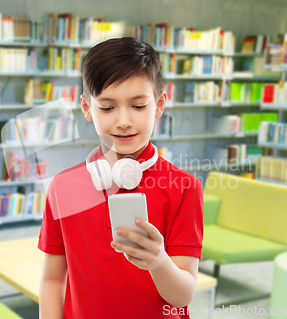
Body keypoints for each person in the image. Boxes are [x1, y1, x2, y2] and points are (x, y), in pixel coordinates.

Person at [38, 37, 204, 319]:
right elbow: (53, 279)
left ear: (160, 104)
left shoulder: (184, 187)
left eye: (138, 106)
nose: (123, 121)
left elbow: (182, 296)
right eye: (107, 107)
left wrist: (158, 261)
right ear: (87, 108)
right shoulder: (62, 187)